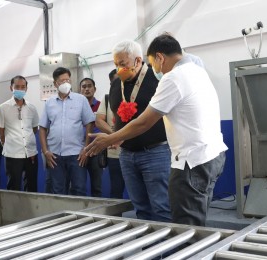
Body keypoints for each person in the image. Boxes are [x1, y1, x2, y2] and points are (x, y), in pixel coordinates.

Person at [86, 34, 228, 226]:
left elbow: (144, 122)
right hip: (209, 156)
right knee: (189, 219)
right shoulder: (196, 70)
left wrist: (109, 139)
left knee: (183, 225)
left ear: (160, 57)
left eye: (153, 63)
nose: (155, 69)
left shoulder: (173, 77)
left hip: (189, 161)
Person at [103, 40, 172, 222]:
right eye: (116, 64)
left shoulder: (157, 79)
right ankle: (148, 249)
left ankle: (167, 250)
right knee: (140, 208)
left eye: (122, 64)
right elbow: (117, 115)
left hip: (156, 152)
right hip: (127, 154)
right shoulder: (117, 84)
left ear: (138, 61)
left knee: (161, 207)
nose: (118, 69)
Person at [39, 67, 95, 196]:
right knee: (58, 191)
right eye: (62, 81)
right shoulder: (49, 103)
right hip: (54, 156)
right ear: (55, 84)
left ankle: (80, 216)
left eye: (67, 80)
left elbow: (89, 124)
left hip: (77, 154)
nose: (65, 83)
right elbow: (42, 128)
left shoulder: (81, 100)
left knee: (79, 189)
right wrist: (45, 151)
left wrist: (86, 148)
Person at [0, 75, 39, 192]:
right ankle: (14, 210)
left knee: (31, 186)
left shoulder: (32, 108)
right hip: (12, 154)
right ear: (11, 88)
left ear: (26, 88)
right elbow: (0, 130)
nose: (20, 89)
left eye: (23, 87)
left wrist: (27, 142)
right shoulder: (3, 108)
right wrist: (8, 143)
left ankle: (31, 210)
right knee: (14, 187)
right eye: (17, 87)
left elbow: (35, 128)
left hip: (31, 154)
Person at [95, 69, 126, 199]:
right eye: (114, 82)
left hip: (134, 151)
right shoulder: (107, 99)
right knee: (116, 188)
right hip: (114, 153)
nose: (117, 84)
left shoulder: (134, 96)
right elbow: (99, 121)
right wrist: (115, 135)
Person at [79, 77, 104, 197]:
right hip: (79, 150)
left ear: (95, 89)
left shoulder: (101, 106)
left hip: (96, 150)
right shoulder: (76, 107)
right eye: (84, 87)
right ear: (80, 90)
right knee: (78, 186)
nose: (87, 89)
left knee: (97, 186)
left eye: (89, 86)